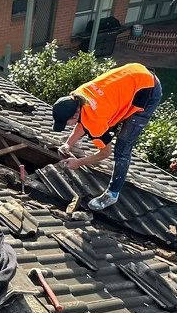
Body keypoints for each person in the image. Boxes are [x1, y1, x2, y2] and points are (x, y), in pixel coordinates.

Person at [51, 63, 162, 211]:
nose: (66, 125)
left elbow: (105, 153)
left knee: (122, 149)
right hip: (135, 74)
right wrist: (68, 144)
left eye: (66, 122)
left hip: (148, 90)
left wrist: (79, 162)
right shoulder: (77, 96)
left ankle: (112, 194)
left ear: (75, 114)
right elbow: (83, 121)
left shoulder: (95, 119)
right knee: (107, 125)